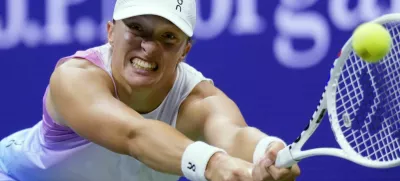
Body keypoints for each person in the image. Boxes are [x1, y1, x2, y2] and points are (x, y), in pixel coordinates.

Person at [0, 0, 300, 180]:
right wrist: (213, 163)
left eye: (168, 37)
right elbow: (135, 135)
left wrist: (267, 152)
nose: (149, 47)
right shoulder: (75, 78)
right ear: (110, 32)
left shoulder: (199, 100)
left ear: (185, 50)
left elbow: (235, 135)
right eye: (137, 28)